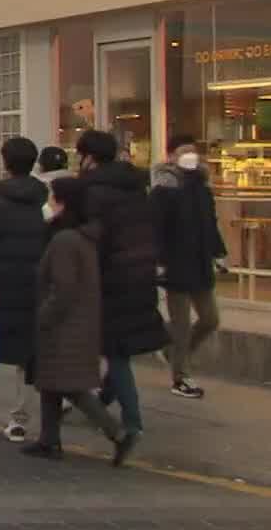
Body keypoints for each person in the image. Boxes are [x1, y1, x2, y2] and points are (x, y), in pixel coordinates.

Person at [25, 176, 137, 466]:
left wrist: (44, 315)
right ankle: (49, 439)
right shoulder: (84, 237)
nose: (48, 205)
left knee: (70, 386)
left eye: (53, 199)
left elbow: (63, 288)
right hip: (78, 319)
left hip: (64, 323)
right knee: (50, 382)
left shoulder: (65, 240)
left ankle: (118, 432)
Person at [77, 129, 169, 441]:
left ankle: (132, 421)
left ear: (88, 157)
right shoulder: (135, 187)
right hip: (140, 272)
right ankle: (102, 402)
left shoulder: (90, 191)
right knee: (121, 348)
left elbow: (89, 237)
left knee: (115, 351)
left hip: (109, 277)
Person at [0, 136, 48, 442]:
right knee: (27, 355)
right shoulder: (43, 198)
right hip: (35, 284)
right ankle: (19, 420)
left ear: (5, 162)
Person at [152, 135, 227, 399]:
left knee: (210, 319)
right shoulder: (164, 188)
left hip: (200, 263)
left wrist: (219, 253)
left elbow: (211, 223)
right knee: (181, 324)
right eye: (184, 152)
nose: (189, 157)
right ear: (171, 156)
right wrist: (158, 261)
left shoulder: (202, 188)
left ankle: (174, 354)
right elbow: (157, 228)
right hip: (175, 264)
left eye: (193, 152)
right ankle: (180, 376)